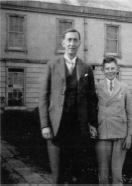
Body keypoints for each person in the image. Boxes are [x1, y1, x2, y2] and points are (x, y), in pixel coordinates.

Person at [39, 28, 98, 184]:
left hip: (79, 128)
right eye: (69, 40)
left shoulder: (86, 68)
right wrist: (45, 125)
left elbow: (92, 99)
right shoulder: (52, 65)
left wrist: (92, 124)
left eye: (75, 40)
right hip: (57, 126)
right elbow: (43, 96)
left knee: (76, 172)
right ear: (63, 43)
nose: (72, 43)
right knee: (58, 174)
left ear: (79, 43)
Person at [93, 56, 132, 185]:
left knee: (117, 174)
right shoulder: (97, 87)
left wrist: (129, 136)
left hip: (120, 133)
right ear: (102, 70)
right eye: (107, 69)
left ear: (118, 70)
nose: (110, 71)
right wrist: (92, 126)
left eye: (113, 68)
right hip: (102, 132)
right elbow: (91, 110)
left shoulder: (124, 88)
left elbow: (129, 113)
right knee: (103, 173)